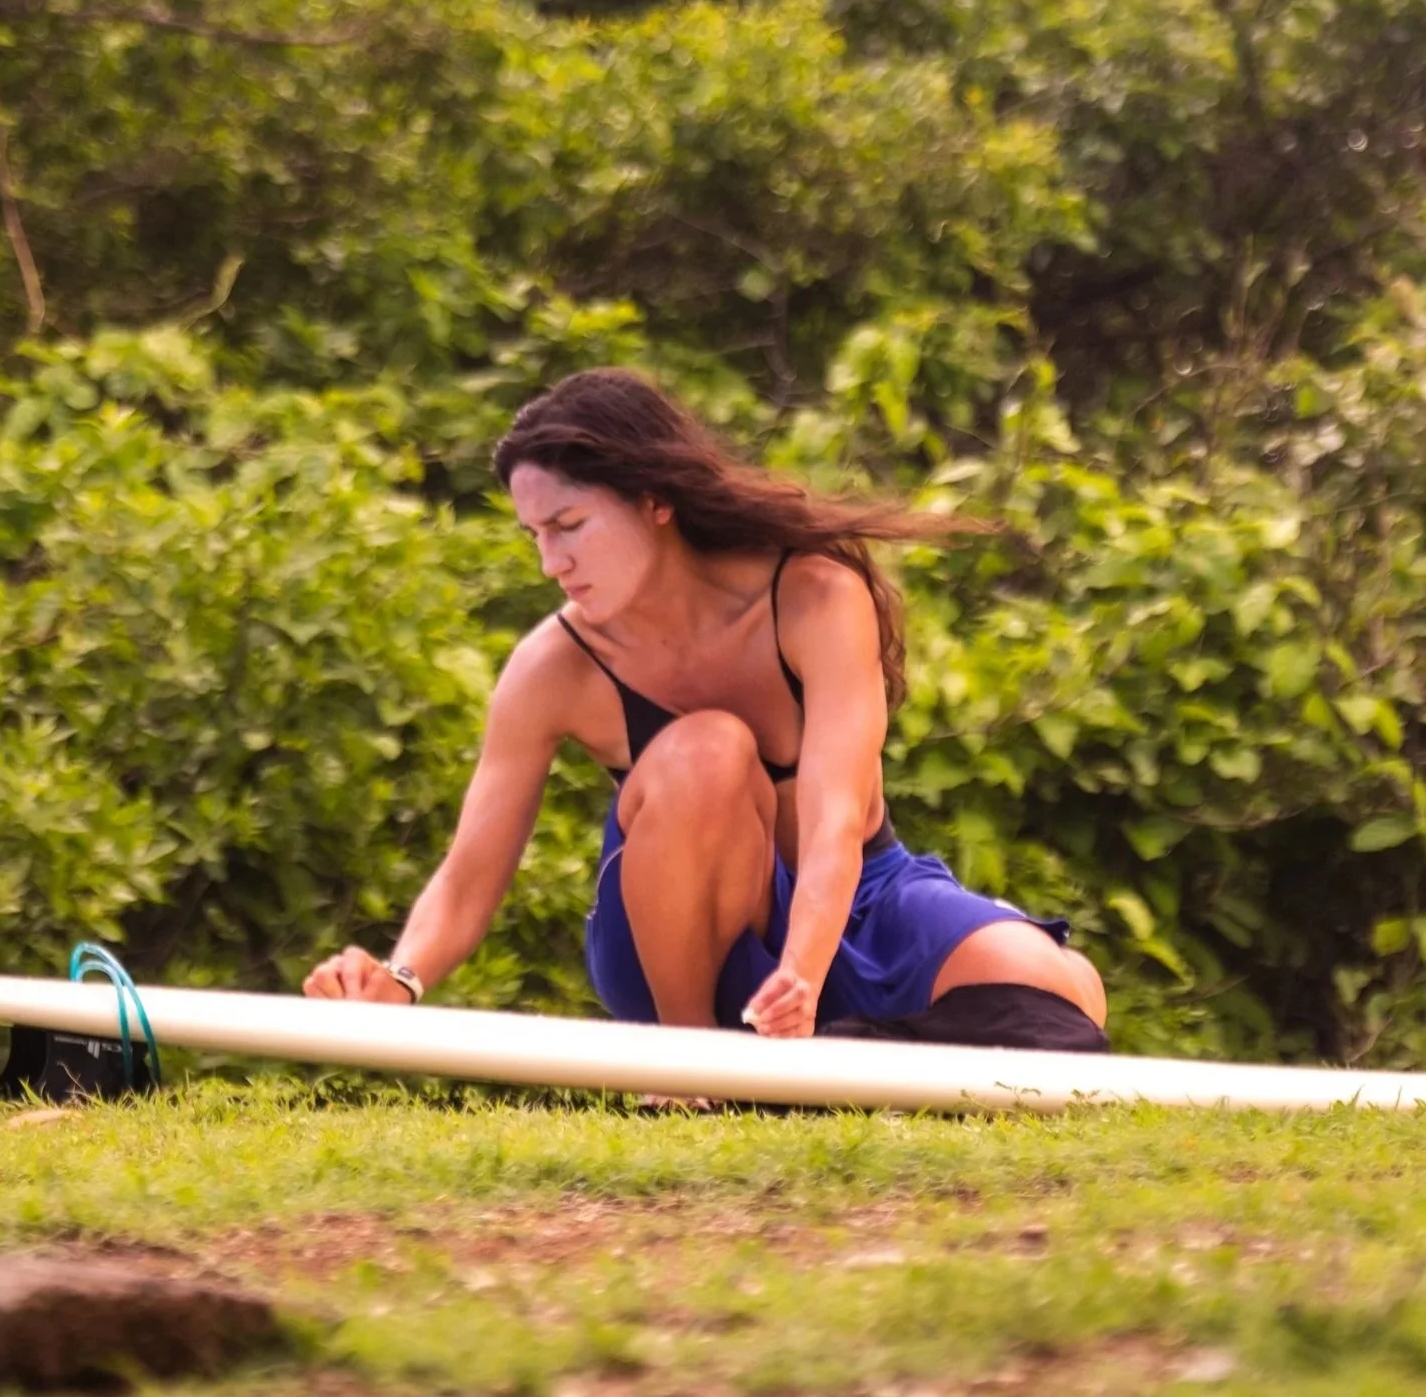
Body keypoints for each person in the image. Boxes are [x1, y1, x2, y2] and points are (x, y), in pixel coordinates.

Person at [304, 369, 1108, 1050]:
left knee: (1061, 990)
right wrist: (398, 978)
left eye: (569, 525)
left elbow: (834, 821)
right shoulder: (553, 666)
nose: (551, 563)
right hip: (682, 943)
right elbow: (467, 877)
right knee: (708, 748)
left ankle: (825, 1047)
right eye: (534, 536)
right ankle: (691, 1068)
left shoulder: (814, 595)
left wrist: (801, 972)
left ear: (654, 500)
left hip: (852, 896)